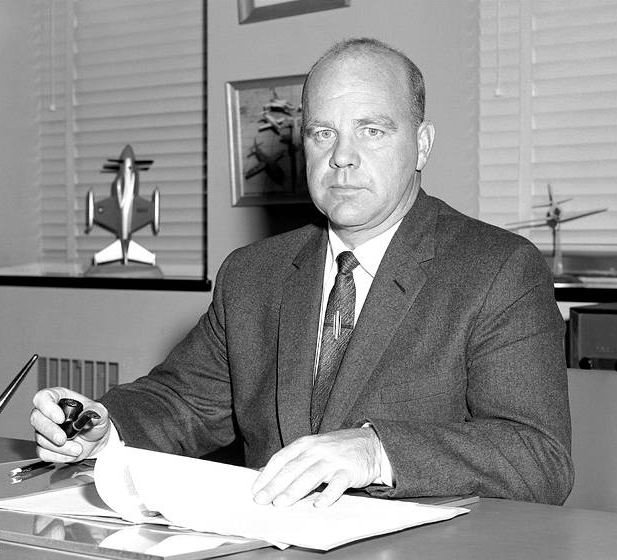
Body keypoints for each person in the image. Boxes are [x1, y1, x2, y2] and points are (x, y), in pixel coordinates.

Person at [31, 37, 573, 507]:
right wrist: (101, 426)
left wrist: (376, 450)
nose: (342, 157)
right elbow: (183, 402)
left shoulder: (497, 269)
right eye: (322, 133)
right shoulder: (253, 275)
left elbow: (538, 458)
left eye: (373, 131)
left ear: (422, 144)